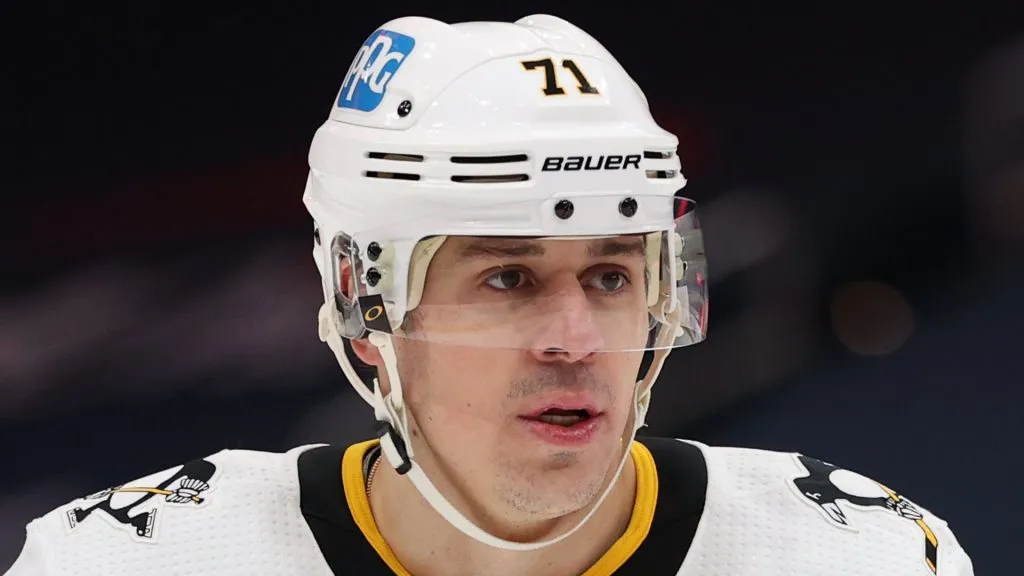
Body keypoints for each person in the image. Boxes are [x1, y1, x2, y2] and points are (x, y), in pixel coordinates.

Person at [4, 14, 973, 576]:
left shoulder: (859, 558)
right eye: (507, 277)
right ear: (363, 300)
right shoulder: (125, 563)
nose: (574, 336)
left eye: (609, 274)